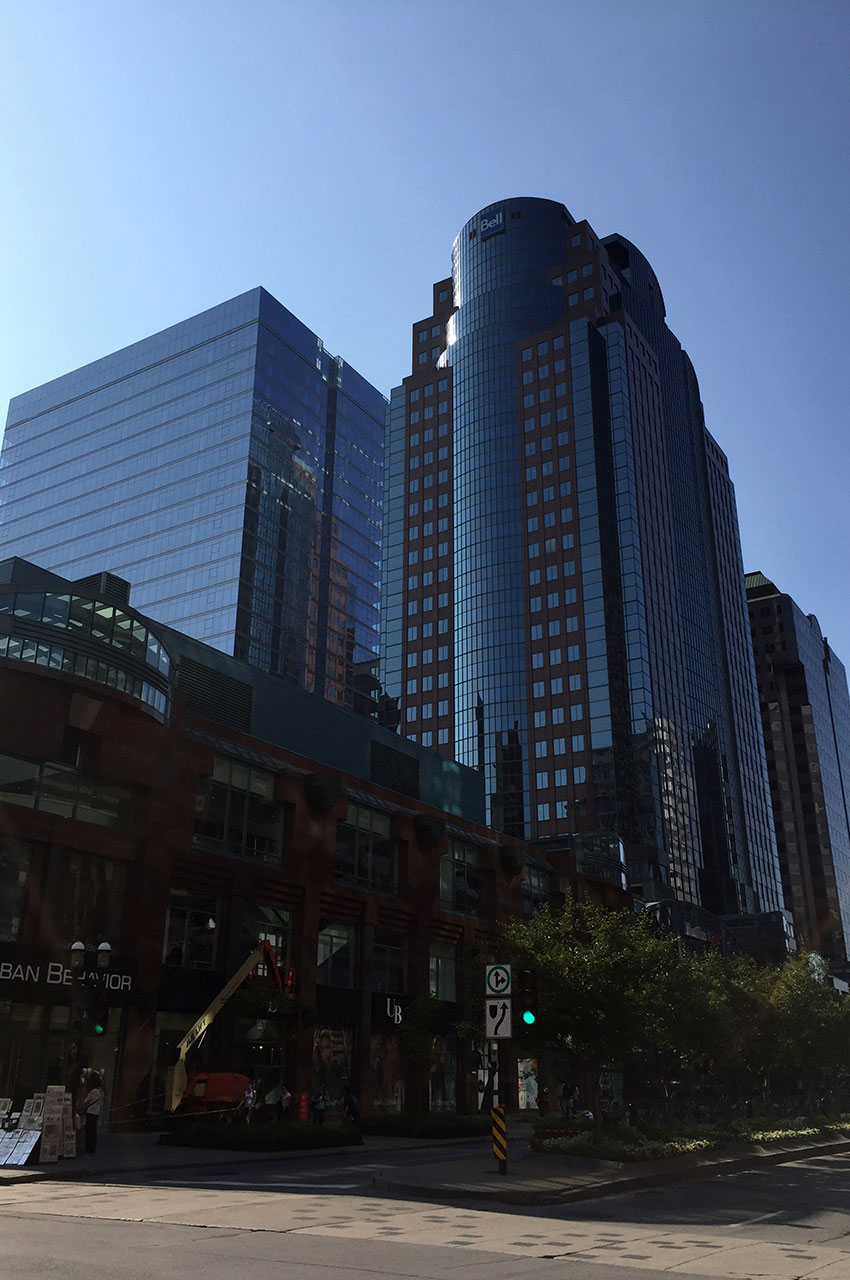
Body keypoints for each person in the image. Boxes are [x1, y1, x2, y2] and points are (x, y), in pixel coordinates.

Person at [77, 1071, 105, 1154]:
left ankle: (88, 1147)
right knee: (93, 1131)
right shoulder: (101, 1092)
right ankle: (92, 1148)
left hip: (90, 1112)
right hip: (96, 1112)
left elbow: (86, 1101)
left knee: (88, 1131)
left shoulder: (93, 1092)